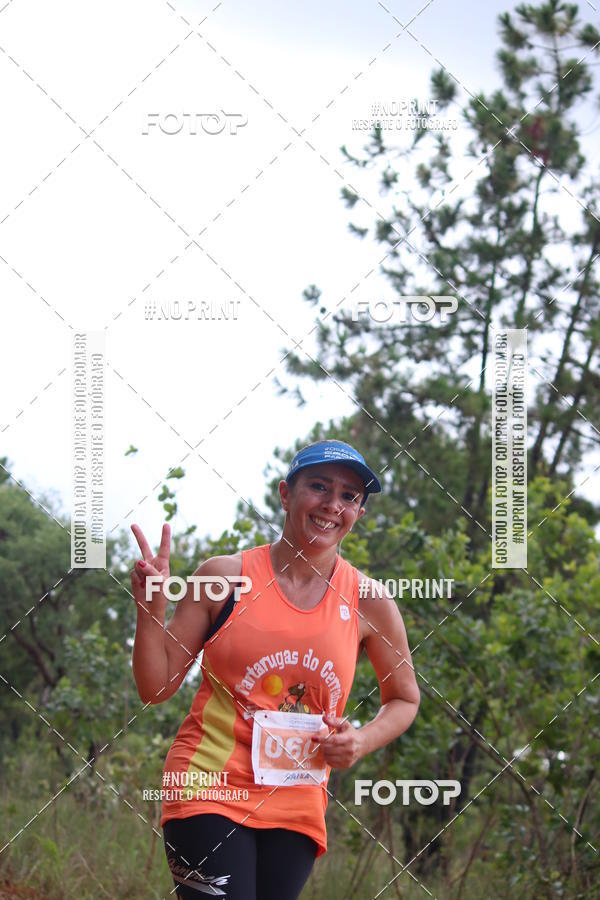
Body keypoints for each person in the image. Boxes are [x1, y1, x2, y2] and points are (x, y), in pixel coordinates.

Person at [130, 439, 420, 899]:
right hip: (207, 785)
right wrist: (151, 605)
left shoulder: (370, 602)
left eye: (349, 496)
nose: (332, 505)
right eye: (319, 487)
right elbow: (156, 686)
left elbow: (404, 697)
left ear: (359, 514)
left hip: (297, 799)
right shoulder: (225, 577)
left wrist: (359, 741)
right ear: (286, 494)